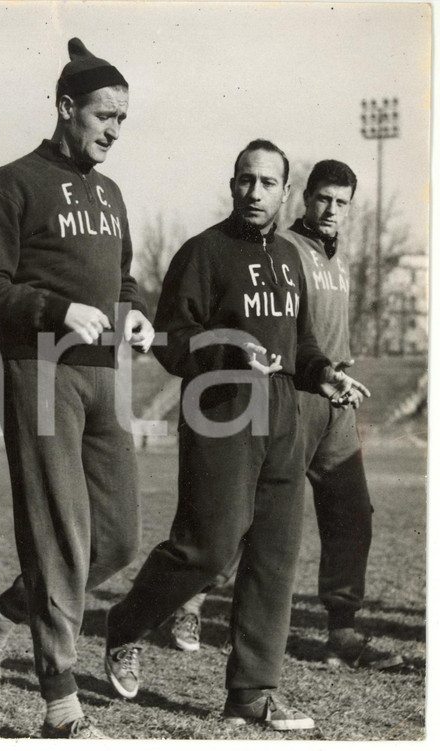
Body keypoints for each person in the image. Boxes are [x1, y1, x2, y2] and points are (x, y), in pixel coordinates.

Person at [102, 141, 371, 732]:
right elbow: (170, 342)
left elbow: (299, 345)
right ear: (233, 185)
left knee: (274, 560)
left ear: (283, 191)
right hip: (217, 411)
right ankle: (124, 626)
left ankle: (252, 692)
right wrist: (227, 349)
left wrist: (325, 374)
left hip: (283, 421)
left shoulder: (290, 260)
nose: (255, 192)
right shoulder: (203, 252)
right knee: (209, 549)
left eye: (267, 183)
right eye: (246, 181)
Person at [0, 38, 154, 739]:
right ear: (67, 107)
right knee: (59, 537)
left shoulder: (110, 192)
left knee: (119, 538)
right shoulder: (13, 182)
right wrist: (55, 309)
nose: (114, 130)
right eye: (104, 114)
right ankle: (61, 703)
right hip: (40, 371)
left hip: (104, 375)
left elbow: (124, 279)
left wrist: (134, 319)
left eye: (124, 119)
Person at [168, 160, 402, 671]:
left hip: (334, 400)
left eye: (342, 202)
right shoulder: (284, 248)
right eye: (323, 198)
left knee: (351, 512)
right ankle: (188, 604)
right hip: (289, 395)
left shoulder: (336, 257)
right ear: (304, 198)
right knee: (250, 515)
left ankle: (341, 632)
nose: (331, 210)